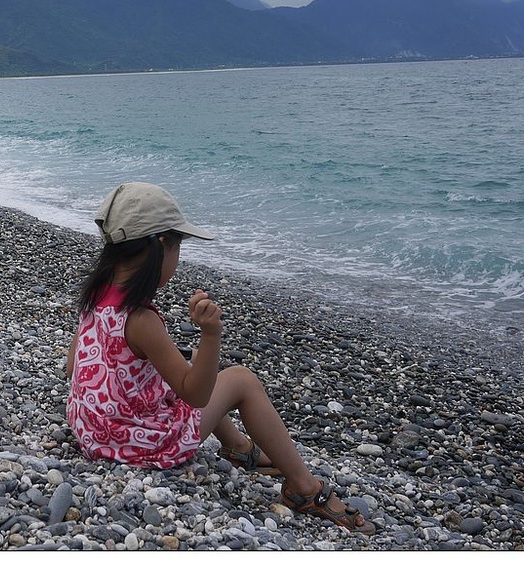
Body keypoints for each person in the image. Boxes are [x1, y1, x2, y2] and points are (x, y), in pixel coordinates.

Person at [65, 182, 375, 534]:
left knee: (189, 366)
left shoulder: (96, 295)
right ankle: (304, 489)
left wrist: (152, 367)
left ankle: (240, 447)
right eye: (177, 246)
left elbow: (75, 366)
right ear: (159, 247)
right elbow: (195, 395)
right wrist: (211, 334)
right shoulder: (141, 318)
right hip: (138, 446)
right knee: (241, 379)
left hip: (92, 431)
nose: (178, 257)